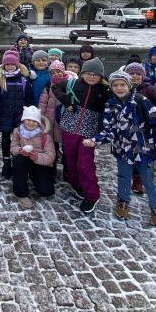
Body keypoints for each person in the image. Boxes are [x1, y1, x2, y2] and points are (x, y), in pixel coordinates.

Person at [83, 71, 156, 228]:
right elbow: (109, 129)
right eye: (115, 85)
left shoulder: (141, 101)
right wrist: (95, 140)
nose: (119, 88)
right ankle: (123, 202)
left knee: (149, 181)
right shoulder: (110, 104)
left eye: (122, 84)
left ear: (129, 85)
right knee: (123, 177)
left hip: (145, 150)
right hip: (123, 149)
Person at [52, 57, 111, 213]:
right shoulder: (74, 83)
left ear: (101, 76)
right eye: (88, 73)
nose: (92, 76)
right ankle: (77, 186)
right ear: (83, 73)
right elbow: (56, 87)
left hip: (89, 133)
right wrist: (66, 101)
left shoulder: (105, 91)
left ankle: (92, 195)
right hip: (70, 128)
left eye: (95, 74)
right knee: (70, 162)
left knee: (84, 164)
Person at [124, 62, 156, 201]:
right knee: (133, 156)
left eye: (138, 74)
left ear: (143, 76)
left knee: (154, 160)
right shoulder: (123, 88)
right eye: (131, 73)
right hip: (131, 131)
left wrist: (155, 121)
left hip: (148, 132)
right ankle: (137, 179)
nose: (134, 76)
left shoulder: (150, 89)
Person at [0, 49, 33, 179]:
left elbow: (29, 100)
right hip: (4, 116)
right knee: (5, 140)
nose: (10, 66)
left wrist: (27, 116)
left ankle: (17, 161)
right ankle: (6, 162)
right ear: (3, 65)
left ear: (17, 65)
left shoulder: (24, 81)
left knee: (18, 140)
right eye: (7, 64)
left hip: (19, 116)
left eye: (12, 64)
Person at [10, 106, 56, 208]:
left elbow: (50, 156)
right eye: (28, 120)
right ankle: (21, 193)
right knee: (18, 160)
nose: (31, 123)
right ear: (24, 120)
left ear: (39, 122)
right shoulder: (17, 131)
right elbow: (13, 147)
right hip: (24, 159)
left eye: (34, 121)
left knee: (47, 191)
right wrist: (20, 150)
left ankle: (34, 176)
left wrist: (36, 156)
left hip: (39, 162)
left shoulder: (45, 135)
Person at [39, 60, 69, 177]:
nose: (56, 74)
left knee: (67, 148)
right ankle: (52, 167)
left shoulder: (69, 83)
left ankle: (67, 170)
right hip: (50, 121)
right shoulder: (49, 85)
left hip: (65, 121)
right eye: (53, 72)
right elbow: (43, 103)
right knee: (52, 147)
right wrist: (41, 118)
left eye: (58, 72)